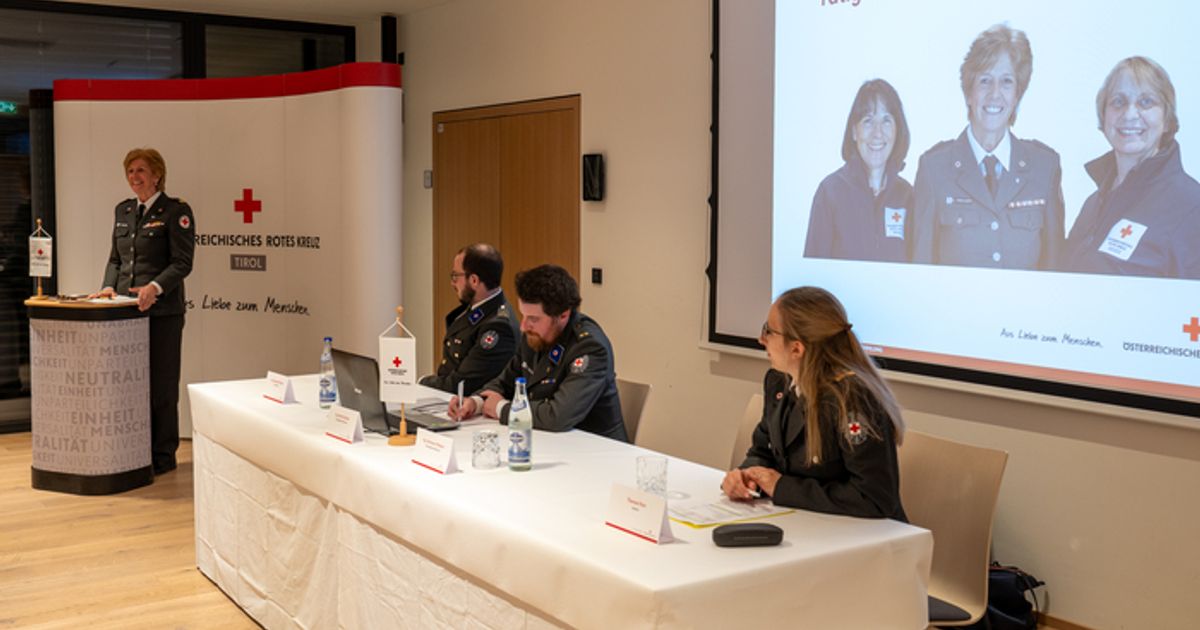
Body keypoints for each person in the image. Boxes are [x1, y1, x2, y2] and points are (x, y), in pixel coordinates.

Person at [722, 287, 906, 520]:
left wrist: (782, 488)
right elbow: (763, 449)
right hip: (802, 521)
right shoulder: (779, 381)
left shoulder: (852, 399)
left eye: (768, 331)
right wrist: (747, 476)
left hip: (861, 536)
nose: (761, 339)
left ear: (797, 348)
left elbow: (873, 498)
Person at [912, 24, 1064, 270]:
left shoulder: (1044, 168)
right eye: (984, 81)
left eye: (1006, 82)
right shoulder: (934, 168)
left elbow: (1055, 269)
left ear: (1017, 95)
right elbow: (920, 267)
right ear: (968, 94)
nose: (995, 94)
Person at [90, 148, 195, 475]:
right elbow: (115, 260)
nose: (134, 177)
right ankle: (134, 451)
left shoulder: (175, 211)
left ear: (157, 175)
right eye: (130, 172)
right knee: (130, 386)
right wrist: (109, 287)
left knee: (161, 387)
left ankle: (162, 457)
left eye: (141, 171)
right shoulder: (123, 211)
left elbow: (182, 263)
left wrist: (155, 288)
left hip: (162, 313)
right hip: (125, 314)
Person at [450, 264, 627, 442]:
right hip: (548, 442)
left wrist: (501, 409)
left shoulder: (589, 348)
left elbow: (557, 416)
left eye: (533, 319)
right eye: (523, 316)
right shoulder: (534, 336)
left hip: (594, 451)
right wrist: (476, 403)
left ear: (563, 315)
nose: (523, 326)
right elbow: (505, 382)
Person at [1061, 56, 1200, 279]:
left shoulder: (1192, 207)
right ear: (1103, 116)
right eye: (1118, 102)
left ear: (1166, 119)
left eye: (1146, 102)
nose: (1129, 114)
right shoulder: (1092, 205)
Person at [804, 79, 913, 262]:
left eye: (886, 121)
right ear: (854, 132)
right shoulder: (830, 192)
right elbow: (812, 273)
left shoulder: (907, 196)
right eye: (868, 121)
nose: (877, 133)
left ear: (897, 130)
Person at [420, 243, 519, 394]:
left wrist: (420, 382)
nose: (452, 283)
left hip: (472, 409)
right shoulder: (476, 308)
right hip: (448, 401)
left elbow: (461, 384)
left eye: (456, 276)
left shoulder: (498, 327)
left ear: (474, 280)